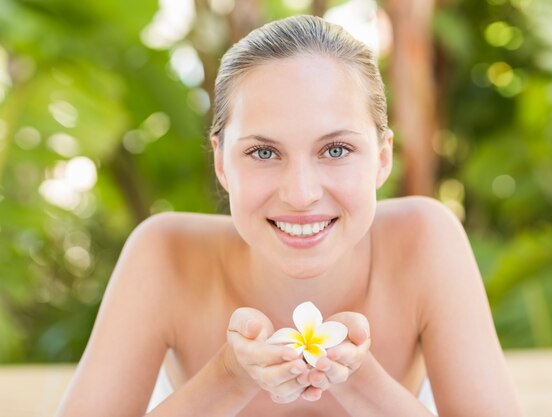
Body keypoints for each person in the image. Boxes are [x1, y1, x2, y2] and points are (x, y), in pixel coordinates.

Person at [56, 15, 522, 417]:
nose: (300, 194)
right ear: (222, 162)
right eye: (263, 152)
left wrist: (358, 380)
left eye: (335, 149)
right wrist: (230, 377)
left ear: (382, 158)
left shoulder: (426, 241)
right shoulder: (163, 255)